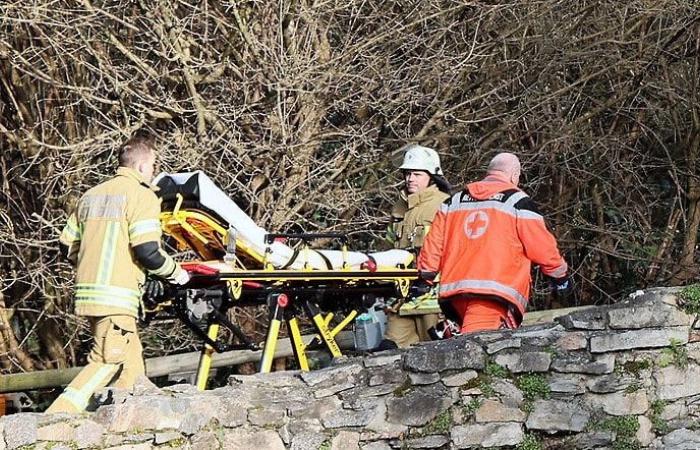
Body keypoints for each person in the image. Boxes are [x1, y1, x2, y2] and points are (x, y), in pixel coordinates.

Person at [46, 134, 190, 414]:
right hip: (118, 296)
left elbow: (65, 246)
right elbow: (148, 251)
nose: (154, 172)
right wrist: (177, 274)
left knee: (132, 368)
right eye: (153, 166)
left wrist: (92, 263)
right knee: (106, 360)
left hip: (90, 294)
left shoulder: (90, 196)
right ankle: (52, 422)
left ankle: (133, 425)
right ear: (140, 167)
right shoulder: (142, 195)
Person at [417, 152, 572, 333]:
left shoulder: (454, 201)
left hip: (455, 292)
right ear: (515, 176)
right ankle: (450, 335)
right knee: (477, 350)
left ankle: (449, 331)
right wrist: (560, 276)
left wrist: (425, 278)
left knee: (470, 344)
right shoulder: (518, 202)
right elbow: (542, 248)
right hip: (493, 293)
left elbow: (434, 244)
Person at [382, 144, 451, 348]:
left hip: (433, 301)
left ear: (432, 176)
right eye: (407, 173)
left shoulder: (445, 204)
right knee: (388, 351)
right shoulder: (399, 207)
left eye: (417, 174)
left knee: (438, 352)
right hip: (401, 299)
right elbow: (389, 248)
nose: (410, 178)